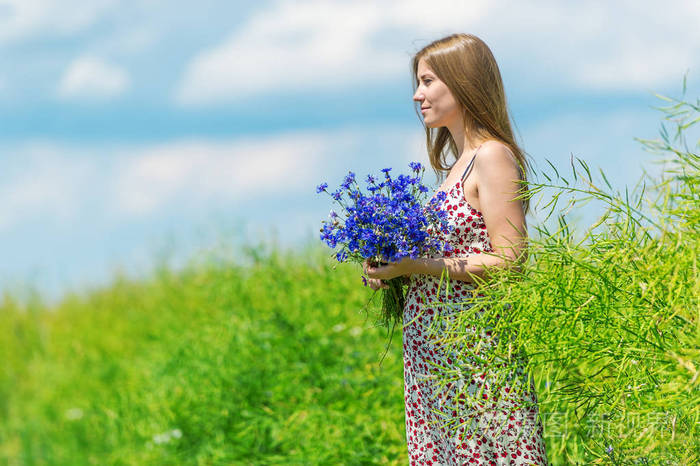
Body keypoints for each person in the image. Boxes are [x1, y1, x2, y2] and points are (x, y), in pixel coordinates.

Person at [363, 33, 548, 465]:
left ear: (461, 83)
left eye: (428, 81)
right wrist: (392, 268)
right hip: (435, 356)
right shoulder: (453, 168)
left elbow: (510, 260)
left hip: (474, 354)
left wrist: (415, 263)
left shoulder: (492, 157)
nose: (417, 94)